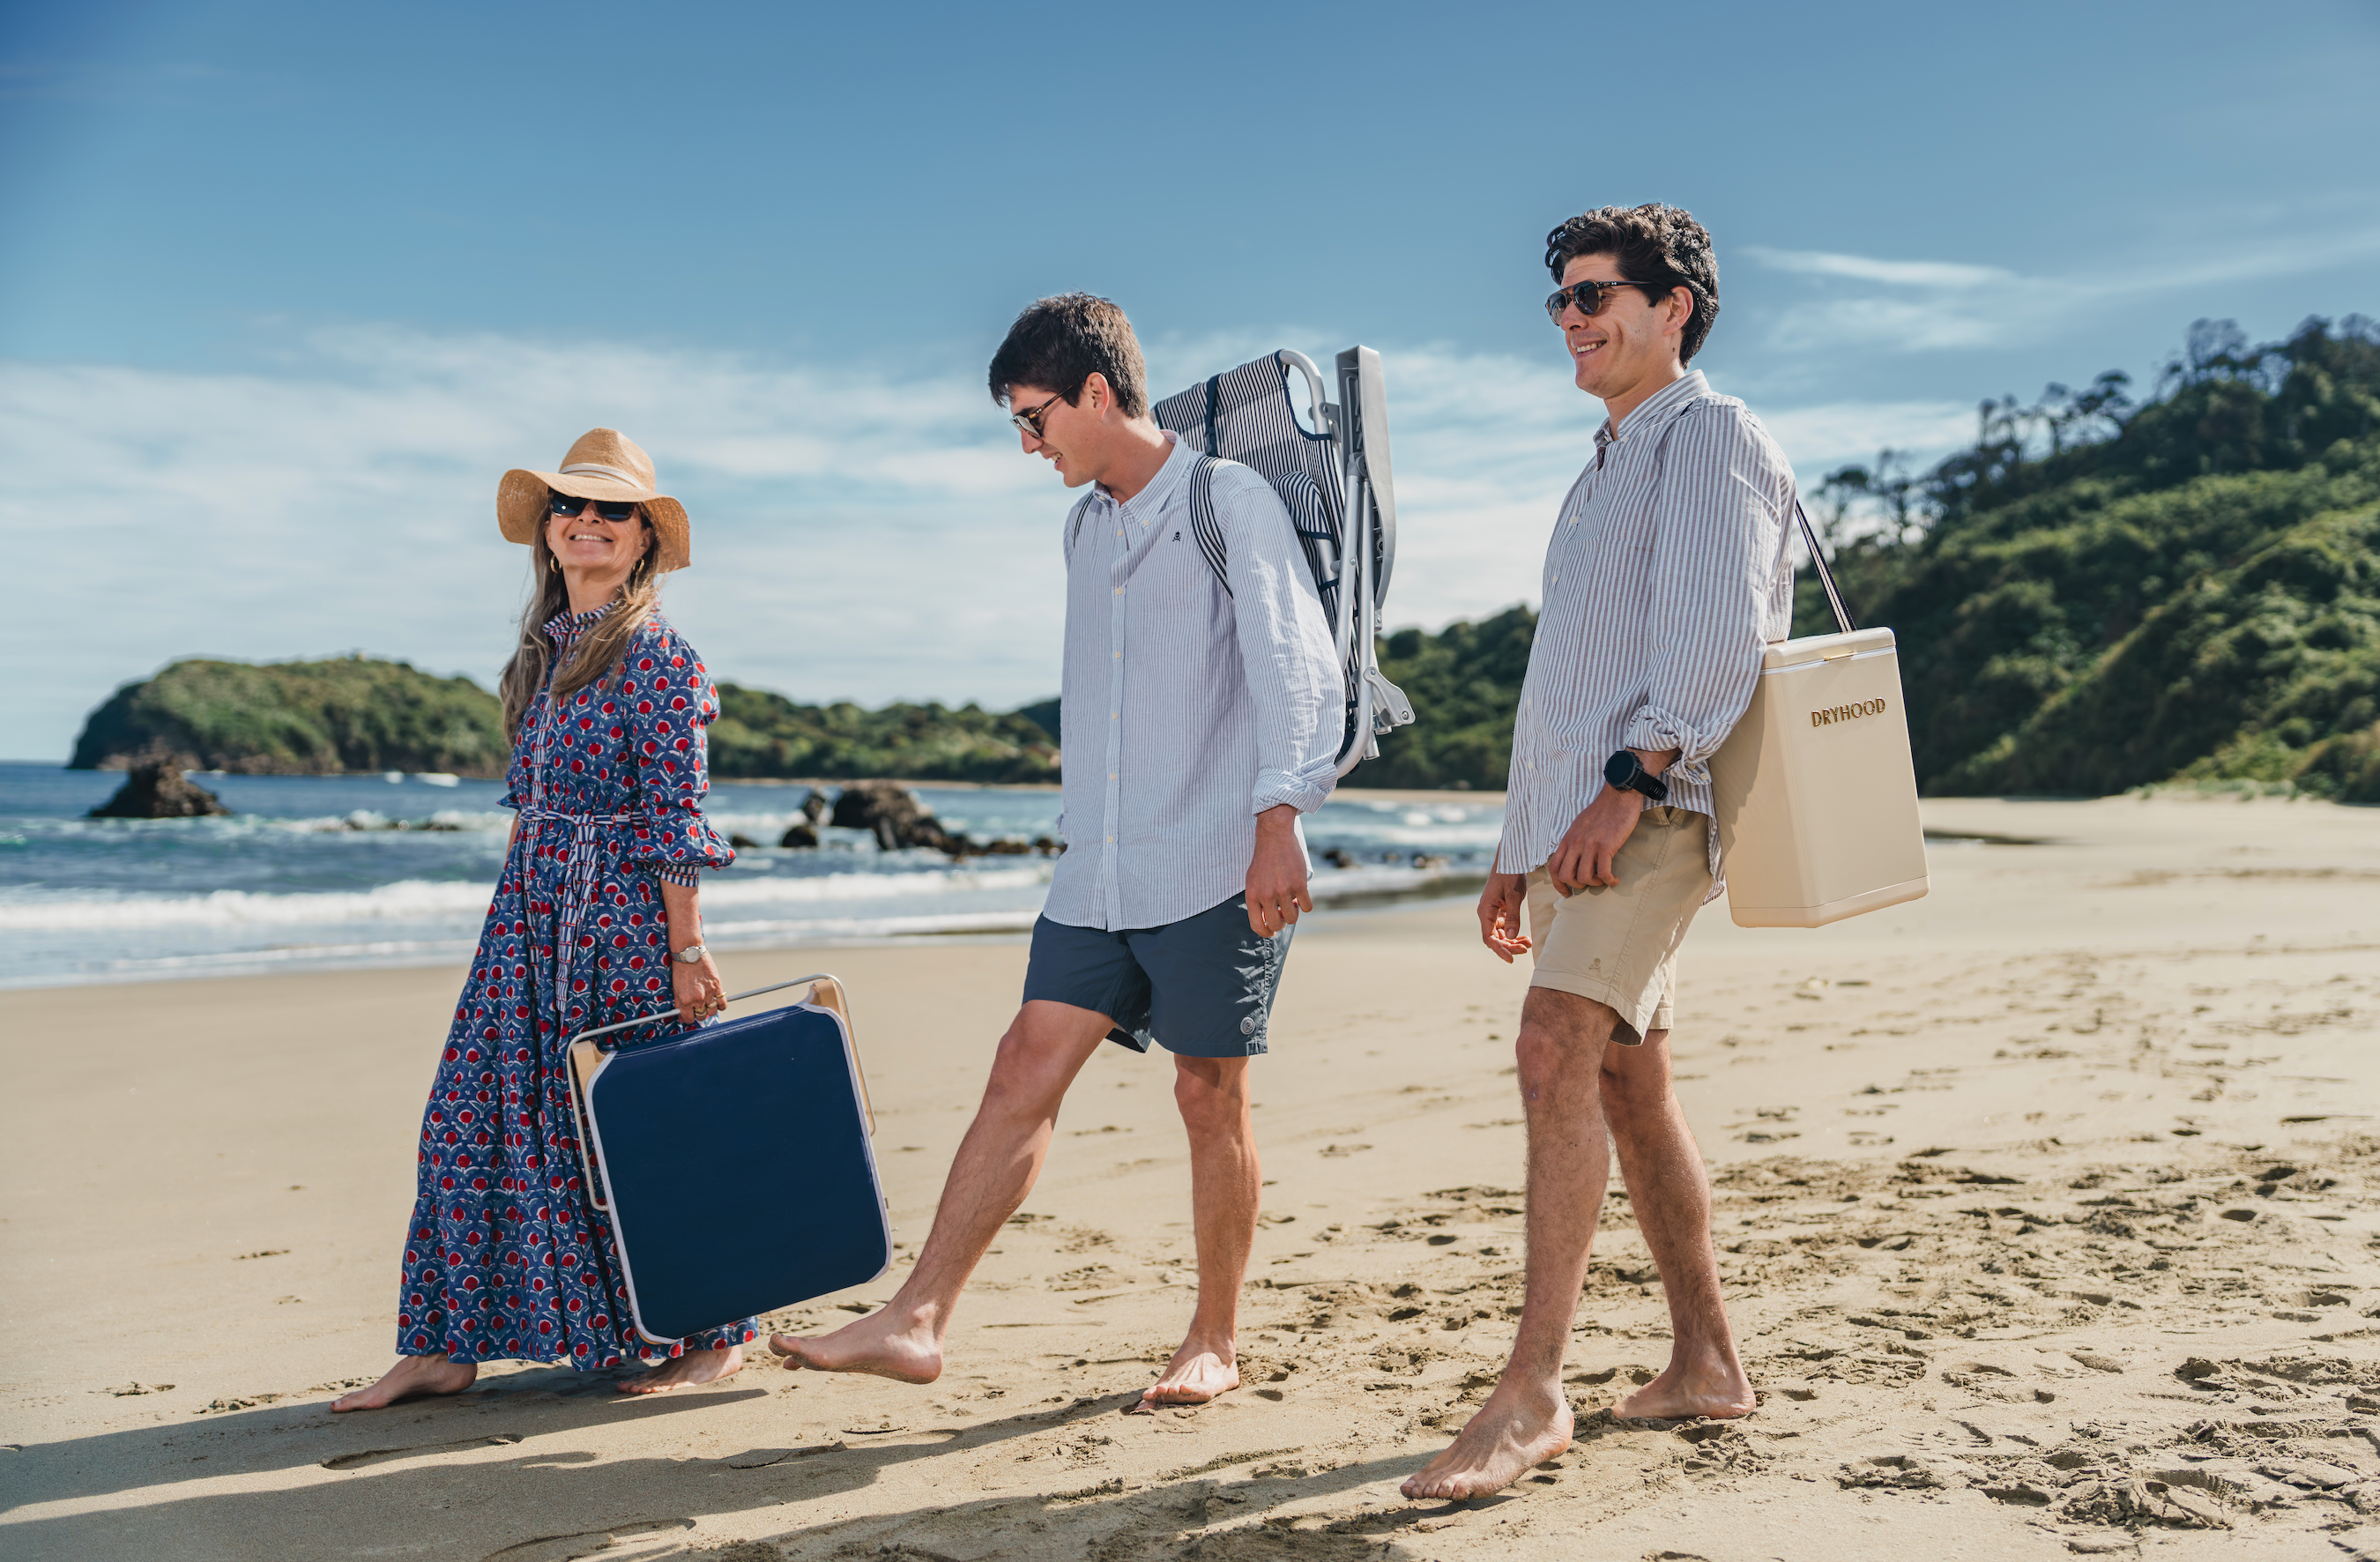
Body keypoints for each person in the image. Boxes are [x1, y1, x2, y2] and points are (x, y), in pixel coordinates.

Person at [771, 294, 1342, 1411]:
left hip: (1215, 855)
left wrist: (1282, 816)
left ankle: (1213, 1337)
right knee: (1020, 1066)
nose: (1029, 446)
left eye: (1036, 420)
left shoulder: (1228, 499)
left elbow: (1296, 665)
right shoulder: (1083, 528)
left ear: (1097, 392)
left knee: (1206, 1092)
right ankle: (918, 1316)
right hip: (1099, 866)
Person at [1402, 205, 1785, 1499]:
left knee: (1552, 1045)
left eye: (1596, 295)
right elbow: (1558, 687)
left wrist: (1632, 783)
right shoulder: (1604, 464)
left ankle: (1532, 1392)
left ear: (1675, 305)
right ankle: (1706, 1363)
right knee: (1627, 1082)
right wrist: (1518, 843)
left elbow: (1718, 638)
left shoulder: (1710, 436)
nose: (1572, 319)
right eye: (1560, 300)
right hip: (1585, 826)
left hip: (1653, 814)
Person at [334, 428, 747, 1410]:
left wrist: (687, 946)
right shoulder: (546, 653)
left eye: (612, 510)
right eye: (571, 506)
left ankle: (713, 1335)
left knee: (639, 1127)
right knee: (470, 1119)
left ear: (645, 537)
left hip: (624, 927)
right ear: (548, 534)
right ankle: (444, 1343)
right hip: (528, 919)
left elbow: (674, 816)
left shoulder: (659, 658)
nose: (587, 521)